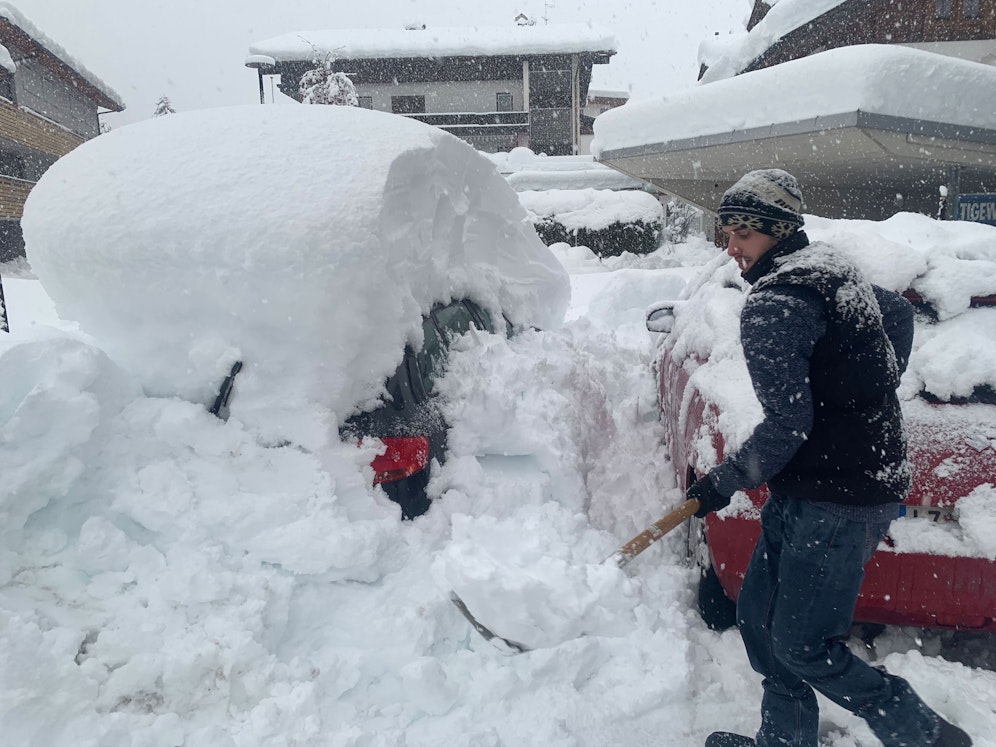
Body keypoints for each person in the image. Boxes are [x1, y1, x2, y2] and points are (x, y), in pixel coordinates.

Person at [687, 169, 973, 747]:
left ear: (778, 232)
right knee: (762, 621)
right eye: (726, 229)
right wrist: (864, 385)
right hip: (822, 485)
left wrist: (723, 482)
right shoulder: (829, 268)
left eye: (744, 231)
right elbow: (893, 312)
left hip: (841, 498)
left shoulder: (776, 304)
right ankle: (786, 740)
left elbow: (789, 423)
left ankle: (928, 737)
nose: (731, 245)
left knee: (801, 644)